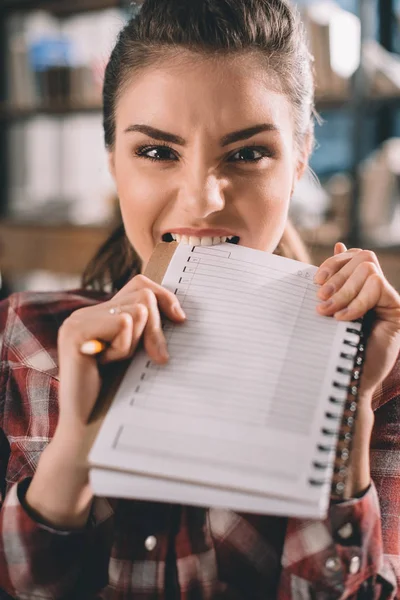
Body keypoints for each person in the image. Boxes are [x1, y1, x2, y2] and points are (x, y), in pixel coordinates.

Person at [0, 0, 399, 597]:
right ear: (113, 160)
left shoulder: (377, 368)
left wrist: (349, 412)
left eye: (247, 154)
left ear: (299, 160)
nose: (203, 200)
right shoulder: (24, 340)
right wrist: (79, 447)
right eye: (157, 152)